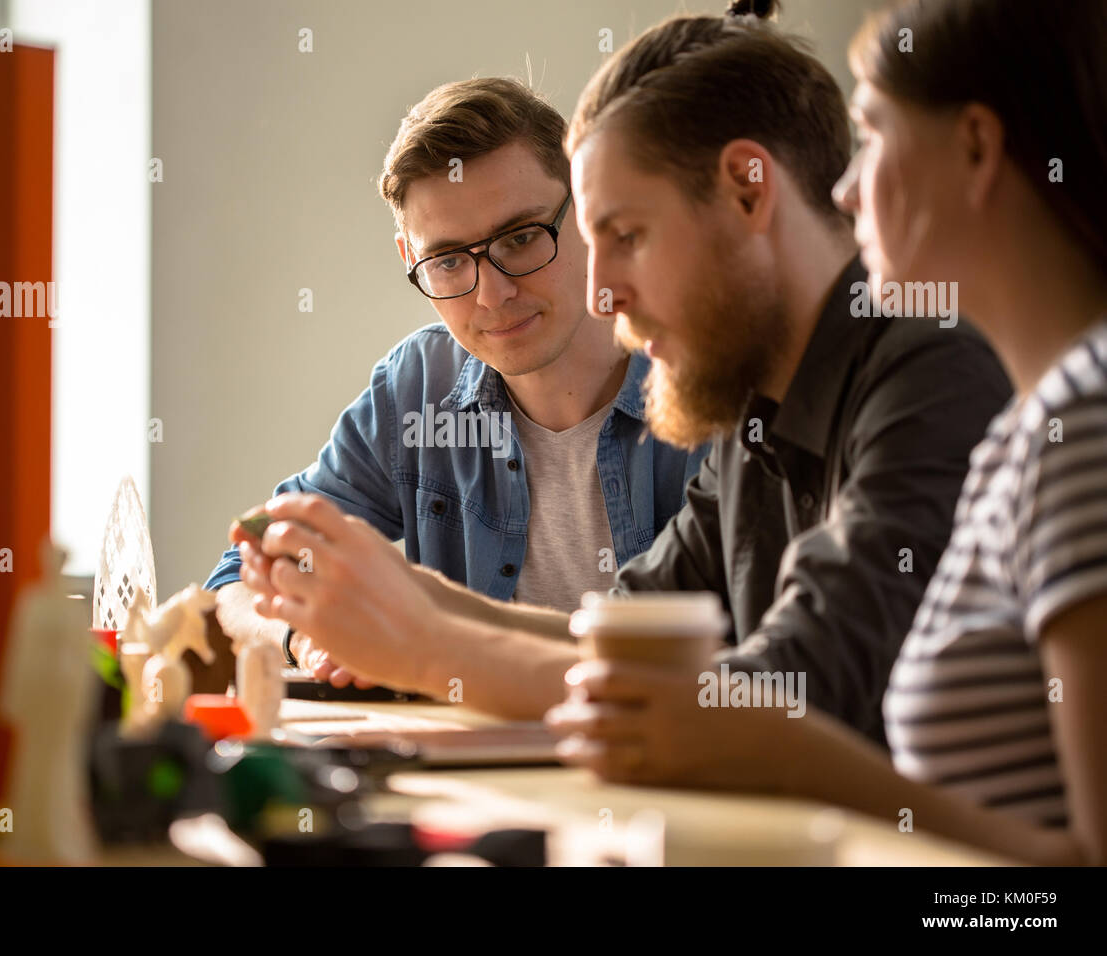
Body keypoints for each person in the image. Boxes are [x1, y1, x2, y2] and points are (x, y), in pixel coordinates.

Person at [240, 0, 1011, 735]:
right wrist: (413, 598)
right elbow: (619, 637)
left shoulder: (929, 369)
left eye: (627, 234)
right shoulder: (759, 405)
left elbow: (792, 695)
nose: (601, 291)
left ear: (750, 192)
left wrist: (424, 650)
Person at [550, 0, 1107, 866]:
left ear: (975, 149)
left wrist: (781, 747)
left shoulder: (1080, 420)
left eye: (873, 135)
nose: (845, 188)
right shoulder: (1032, 432)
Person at [206, 77, 707, 687]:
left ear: (588, 208)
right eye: (447, 261)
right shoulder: (416, 389)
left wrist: (424, 633)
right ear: (409, 260)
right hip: (468, 766)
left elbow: (742, 662)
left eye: (521, 238)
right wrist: (306, 638)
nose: (493, 295)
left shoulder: (706, 380)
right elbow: (239, 576)